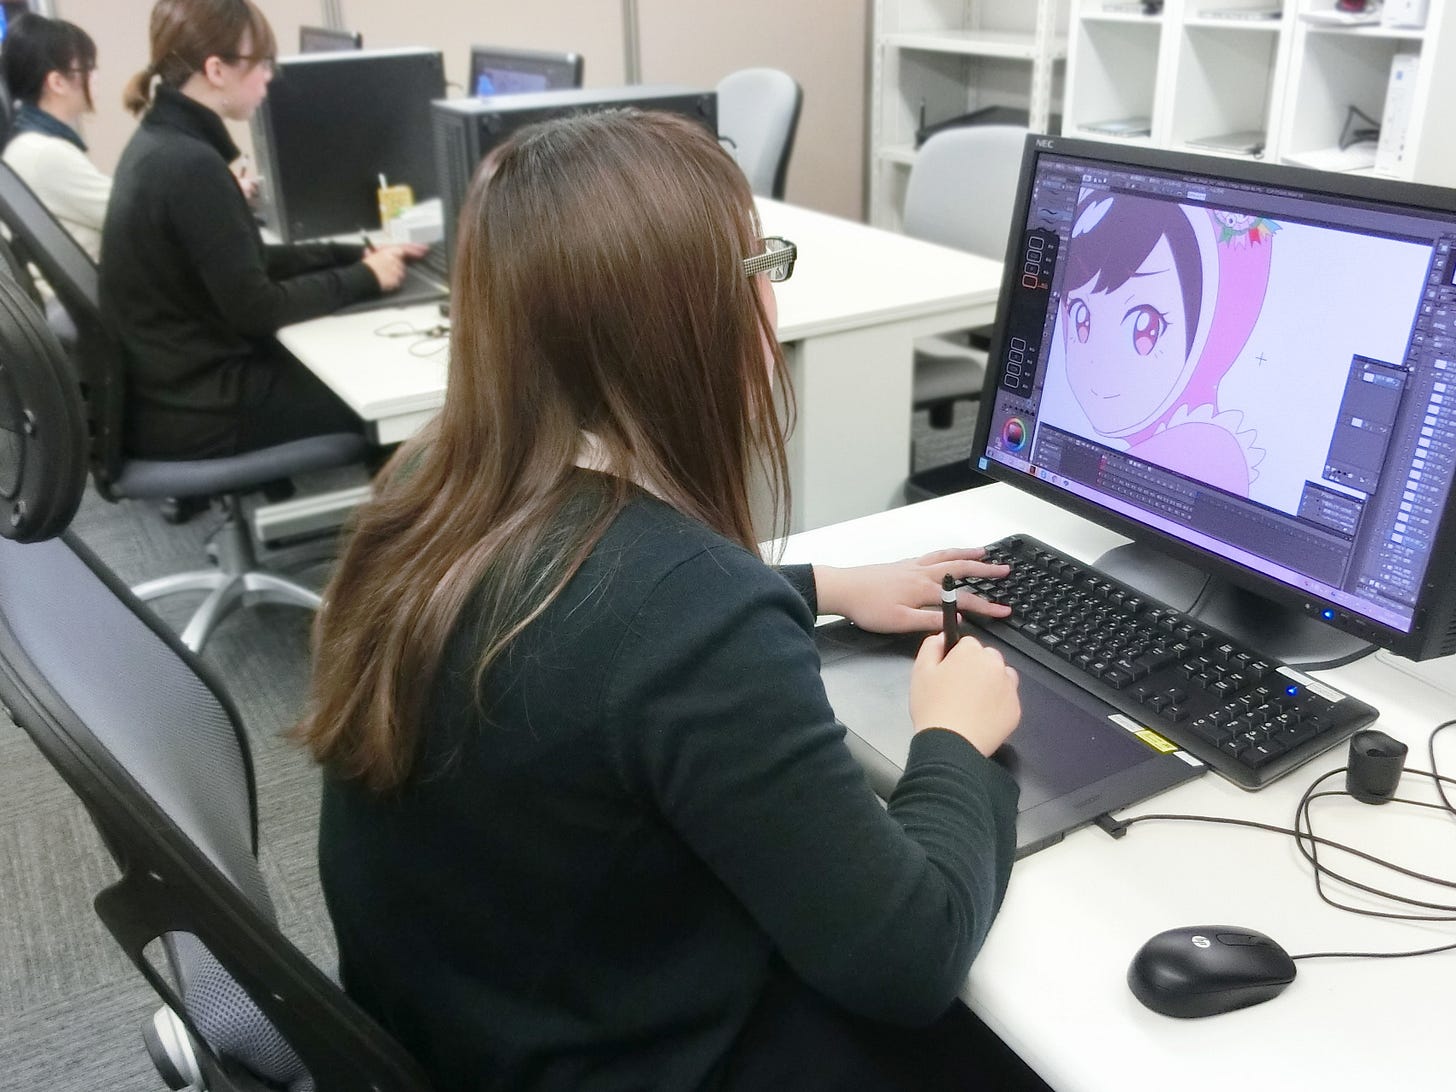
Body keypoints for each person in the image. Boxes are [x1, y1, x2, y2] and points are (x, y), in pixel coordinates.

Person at [296, 109, 1026, 1092]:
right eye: (760, 263)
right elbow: (908, 958)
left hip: (474, 1024)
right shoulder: (680, 607)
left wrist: (818, 587)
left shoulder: (431, 482)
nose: (772, 290)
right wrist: (954, 740)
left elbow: (581, 623)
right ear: (696, 318)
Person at [98, 0, 427, 461]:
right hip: (199, 408)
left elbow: (247, 258)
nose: (270, 76)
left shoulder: (164, 143)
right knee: (392, 395)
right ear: (216, 70)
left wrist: (354, 253)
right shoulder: (189, 166)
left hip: (173, 392)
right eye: (261, 64)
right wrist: (366, 278)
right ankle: (401, 531)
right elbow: (257, 307)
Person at [1051, 189, 1274, 495]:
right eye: (1080, 319)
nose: (1097, 362)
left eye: (1144, 329)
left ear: (1210, 335)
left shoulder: (1207, 451)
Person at [1, 13, 111, 262]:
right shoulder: (45, 153)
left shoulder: (29, 143)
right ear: (57, 82)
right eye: (88, 67)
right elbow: (130, 211)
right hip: (86, 298)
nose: (95, 76)